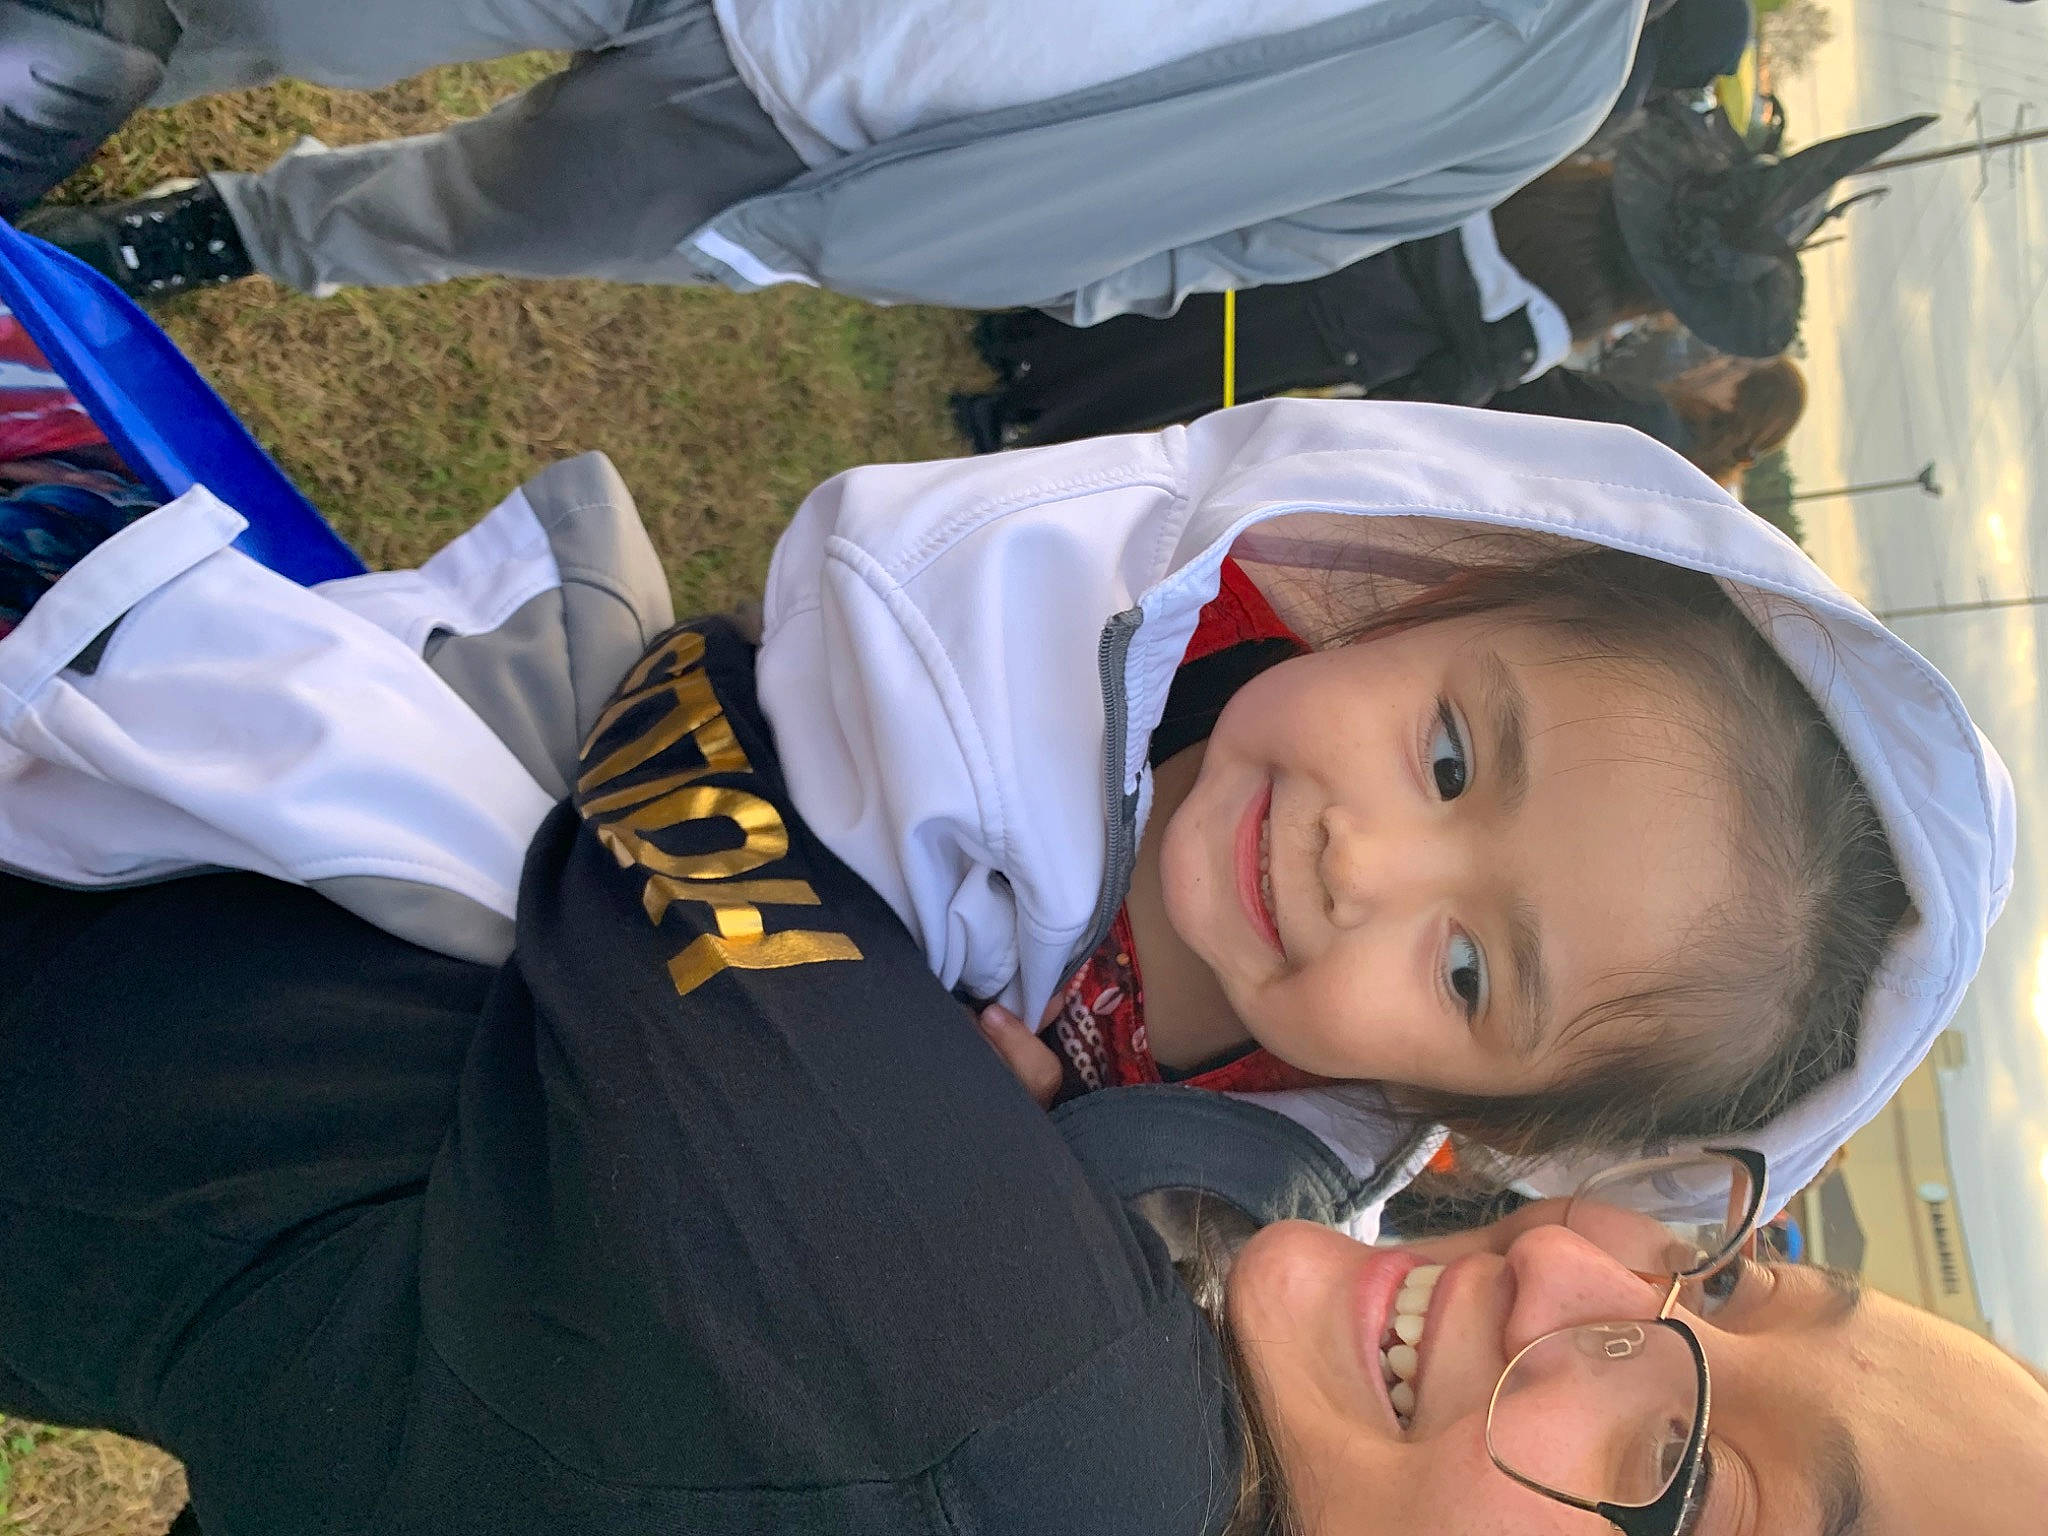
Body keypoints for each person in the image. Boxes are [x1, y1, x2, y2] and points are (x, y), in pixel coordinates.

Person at [1, 642, 2045, 1533]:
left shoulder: (995, 1409)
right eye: (1740, 1282)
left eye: (1689, 1484)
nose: (1573, 1284)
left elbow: (682, 744)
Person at [0, 398, 2014, 1234]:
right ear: (1429, 593)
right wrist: (900, 1055)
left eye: (1474, 968)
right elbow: (856, 635)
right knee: (249, 793)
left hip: (543, 1151)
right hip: (563, 822)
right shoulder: (1057, 632)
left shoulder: (1277, 1183)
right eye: (1451, 756)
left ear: (1474, 1121)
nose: (1360, 860)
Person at [13, 0, 1648, 314]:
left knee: (451, 212)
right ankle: (78, 50)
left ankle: (207, 235)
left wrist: (1046, 268)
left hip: (822, 144)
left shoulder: (1543, 93)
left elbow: (1260, 244)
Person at [949, 106, 1913, 450]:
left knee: (1166, 302)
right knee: (1167, 374)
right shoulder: (1559, 319)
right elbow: (1438, 396)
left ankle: (1019, 331)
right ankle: (1021, 407)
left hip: (1312, 250)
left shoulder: (1550, 177)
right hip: (1330, 334)